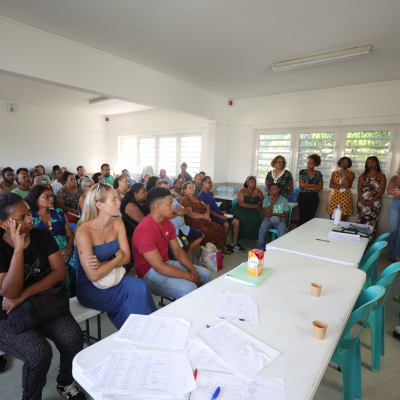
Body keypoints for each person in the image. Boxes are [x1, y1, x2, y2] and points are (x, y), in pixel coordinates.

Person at [0, 193, 86, 400]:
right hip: (8, 315)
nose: (29, 219)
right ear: (3, 224)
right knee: (39, 354)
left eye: (28, 214)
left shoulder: (42, 236)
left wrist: (26, 293)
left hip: (44, 304)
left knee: (73, 337)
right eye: (21, 218)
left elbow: (59, 272)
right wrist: (18, 250)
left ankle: (65, 381)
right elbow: (9, 293)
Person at [74, 183, 156, 329]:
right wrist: (117, 258)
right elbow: (93, 275)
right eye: (113, 200)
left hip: (113, 276)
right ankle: (141, 332)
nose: (119, 202)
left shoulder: (118, 223)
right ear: (99, 205)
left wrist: (104, 264)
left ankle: (142, 331)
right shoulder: (83, 231)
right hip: (90, 288)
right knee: (135, 293)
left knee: (140, 285)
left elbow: (127, 258)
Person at [131, 187, 212, 299]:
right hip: (148, 272)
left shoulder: (166, 222)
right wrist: (189, 276)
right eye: (170, 204)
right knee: (191, 288)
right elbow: (159, 267)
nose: (173, 207)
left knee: (206, 275)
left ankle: (199, 305)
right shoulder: (144, 230)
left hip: (165, 263)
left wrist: (193, 270)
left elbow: (177, 250)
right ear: (157, 206)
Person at [26, 185, 77, 297]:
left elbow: (70, 235)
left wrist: (68, 249)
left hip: (67, 252)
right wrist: (58, 253)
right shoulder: (31, 218)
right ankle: (61, 300)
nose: (51, 198)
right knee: (59, 270)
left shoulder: (59, 213)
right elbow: (33, 245)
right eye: (46, 196)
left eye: (51, 196)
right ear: (36, 200)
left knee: (80, 265)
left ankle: (77, 297)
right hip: (45, 255)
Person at [157, 180, 204, 258]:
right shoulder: (159, 202)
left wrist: (174, 211)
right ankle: (179, 262)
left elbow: (185, 211)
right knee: (179, 245)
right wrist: (177, 211)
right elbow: (169, 216)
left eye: (168, 189)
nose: (167, 191)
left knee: (200, 236)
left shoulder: (173, 199)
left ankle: (186, 256)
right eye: (164, 189)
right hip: (173, 230)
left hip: (182, 227)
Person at [199, 176, 245, 253]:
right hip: (213, 216)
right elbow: (209, 211)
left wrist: (221, 212)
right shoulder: (201, 196)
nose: (211, 184)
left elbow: (214, 205)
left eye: (211, 182)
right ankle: (225, 244)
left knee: (237, 222)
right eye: (209, 182)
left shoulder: (210, 193)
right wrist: (221, 217)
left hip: (219, 213)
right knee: (226, 224)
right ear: (203, 183)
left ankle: (234, 244)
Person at [180, 182, 227, 252]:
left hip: (205, 220)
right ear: (184, 190)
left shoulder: (197, 198)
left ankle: (219, 250)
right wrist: (204, 216)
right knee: (207, 232)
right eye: (190, 187)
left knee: (219, 228)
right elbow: (190, 214)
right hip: (194, 222)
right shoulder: (185, 200)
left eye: (193, 187)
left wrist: (207, 214)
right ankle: (208, 253)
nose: (192, 188)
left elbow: (207, 207)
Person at [357, 156, 386, 240]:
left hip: (374, 203)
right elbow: (359, 189)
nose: (370, 164)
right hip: (361, 203)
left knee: (371, 224)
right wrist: (362, 200)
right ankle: (358, 245)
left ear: (377, 163)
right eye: (368, 163)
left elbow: (381, 191)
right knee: (360, 223)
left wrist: (371, 201)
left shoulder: (381, 175)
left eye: (372, 162)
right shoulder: (363, 175)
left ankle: (368, 246)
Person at [257, 183, 290, 250]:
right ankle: (260, 249)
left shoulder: (284, 200)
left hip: (280, 219)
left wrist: (274, 214)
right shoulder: (266, 200)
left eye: (277, 189)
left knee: (282, 232)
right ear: (270, 191)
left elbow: (286, 215)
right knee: (262, 230)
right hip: (268, 219)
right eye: (273, 189)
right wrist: (273, 201)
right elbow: (267, 213)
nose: (276, 190)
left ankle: (279, 249)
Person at [233, 176, 263, 240]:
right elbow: (241, 204)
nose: (254, 184)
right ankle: (239, 238)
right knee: (243, 220)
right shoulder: (242, 191)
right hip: (241, 209)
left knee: (256, 219)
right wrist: (255, 206)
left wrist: (258, 204)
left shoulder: (257, 190)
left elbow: (263, 200)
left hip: (251, 210)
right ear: (247, 183)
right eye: (252, 182)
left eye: (255, 182)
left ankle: (256, 238)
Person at [298, 154, 323, 225]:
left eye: (311, 164)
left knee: (311, 218)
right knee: (303, 217)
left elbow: (320, 187)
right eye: (308, 163)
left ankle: (309, 234)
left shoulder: (318, 173)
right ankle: (301, 234)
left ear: (315, 164)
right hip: (303, 196)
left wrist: (306, 187)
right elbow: (301, 185)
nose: (309, 165)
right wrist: (314, 185)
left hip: (314, 197)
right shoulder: (302, 172)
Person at [387, 163, 400, 261]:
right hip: (394, 203)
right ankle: (391, 254)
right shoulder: (395, 177)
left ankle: (397, 255)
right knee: (393, 230)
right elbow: (389, 189)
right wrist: (395, 191)